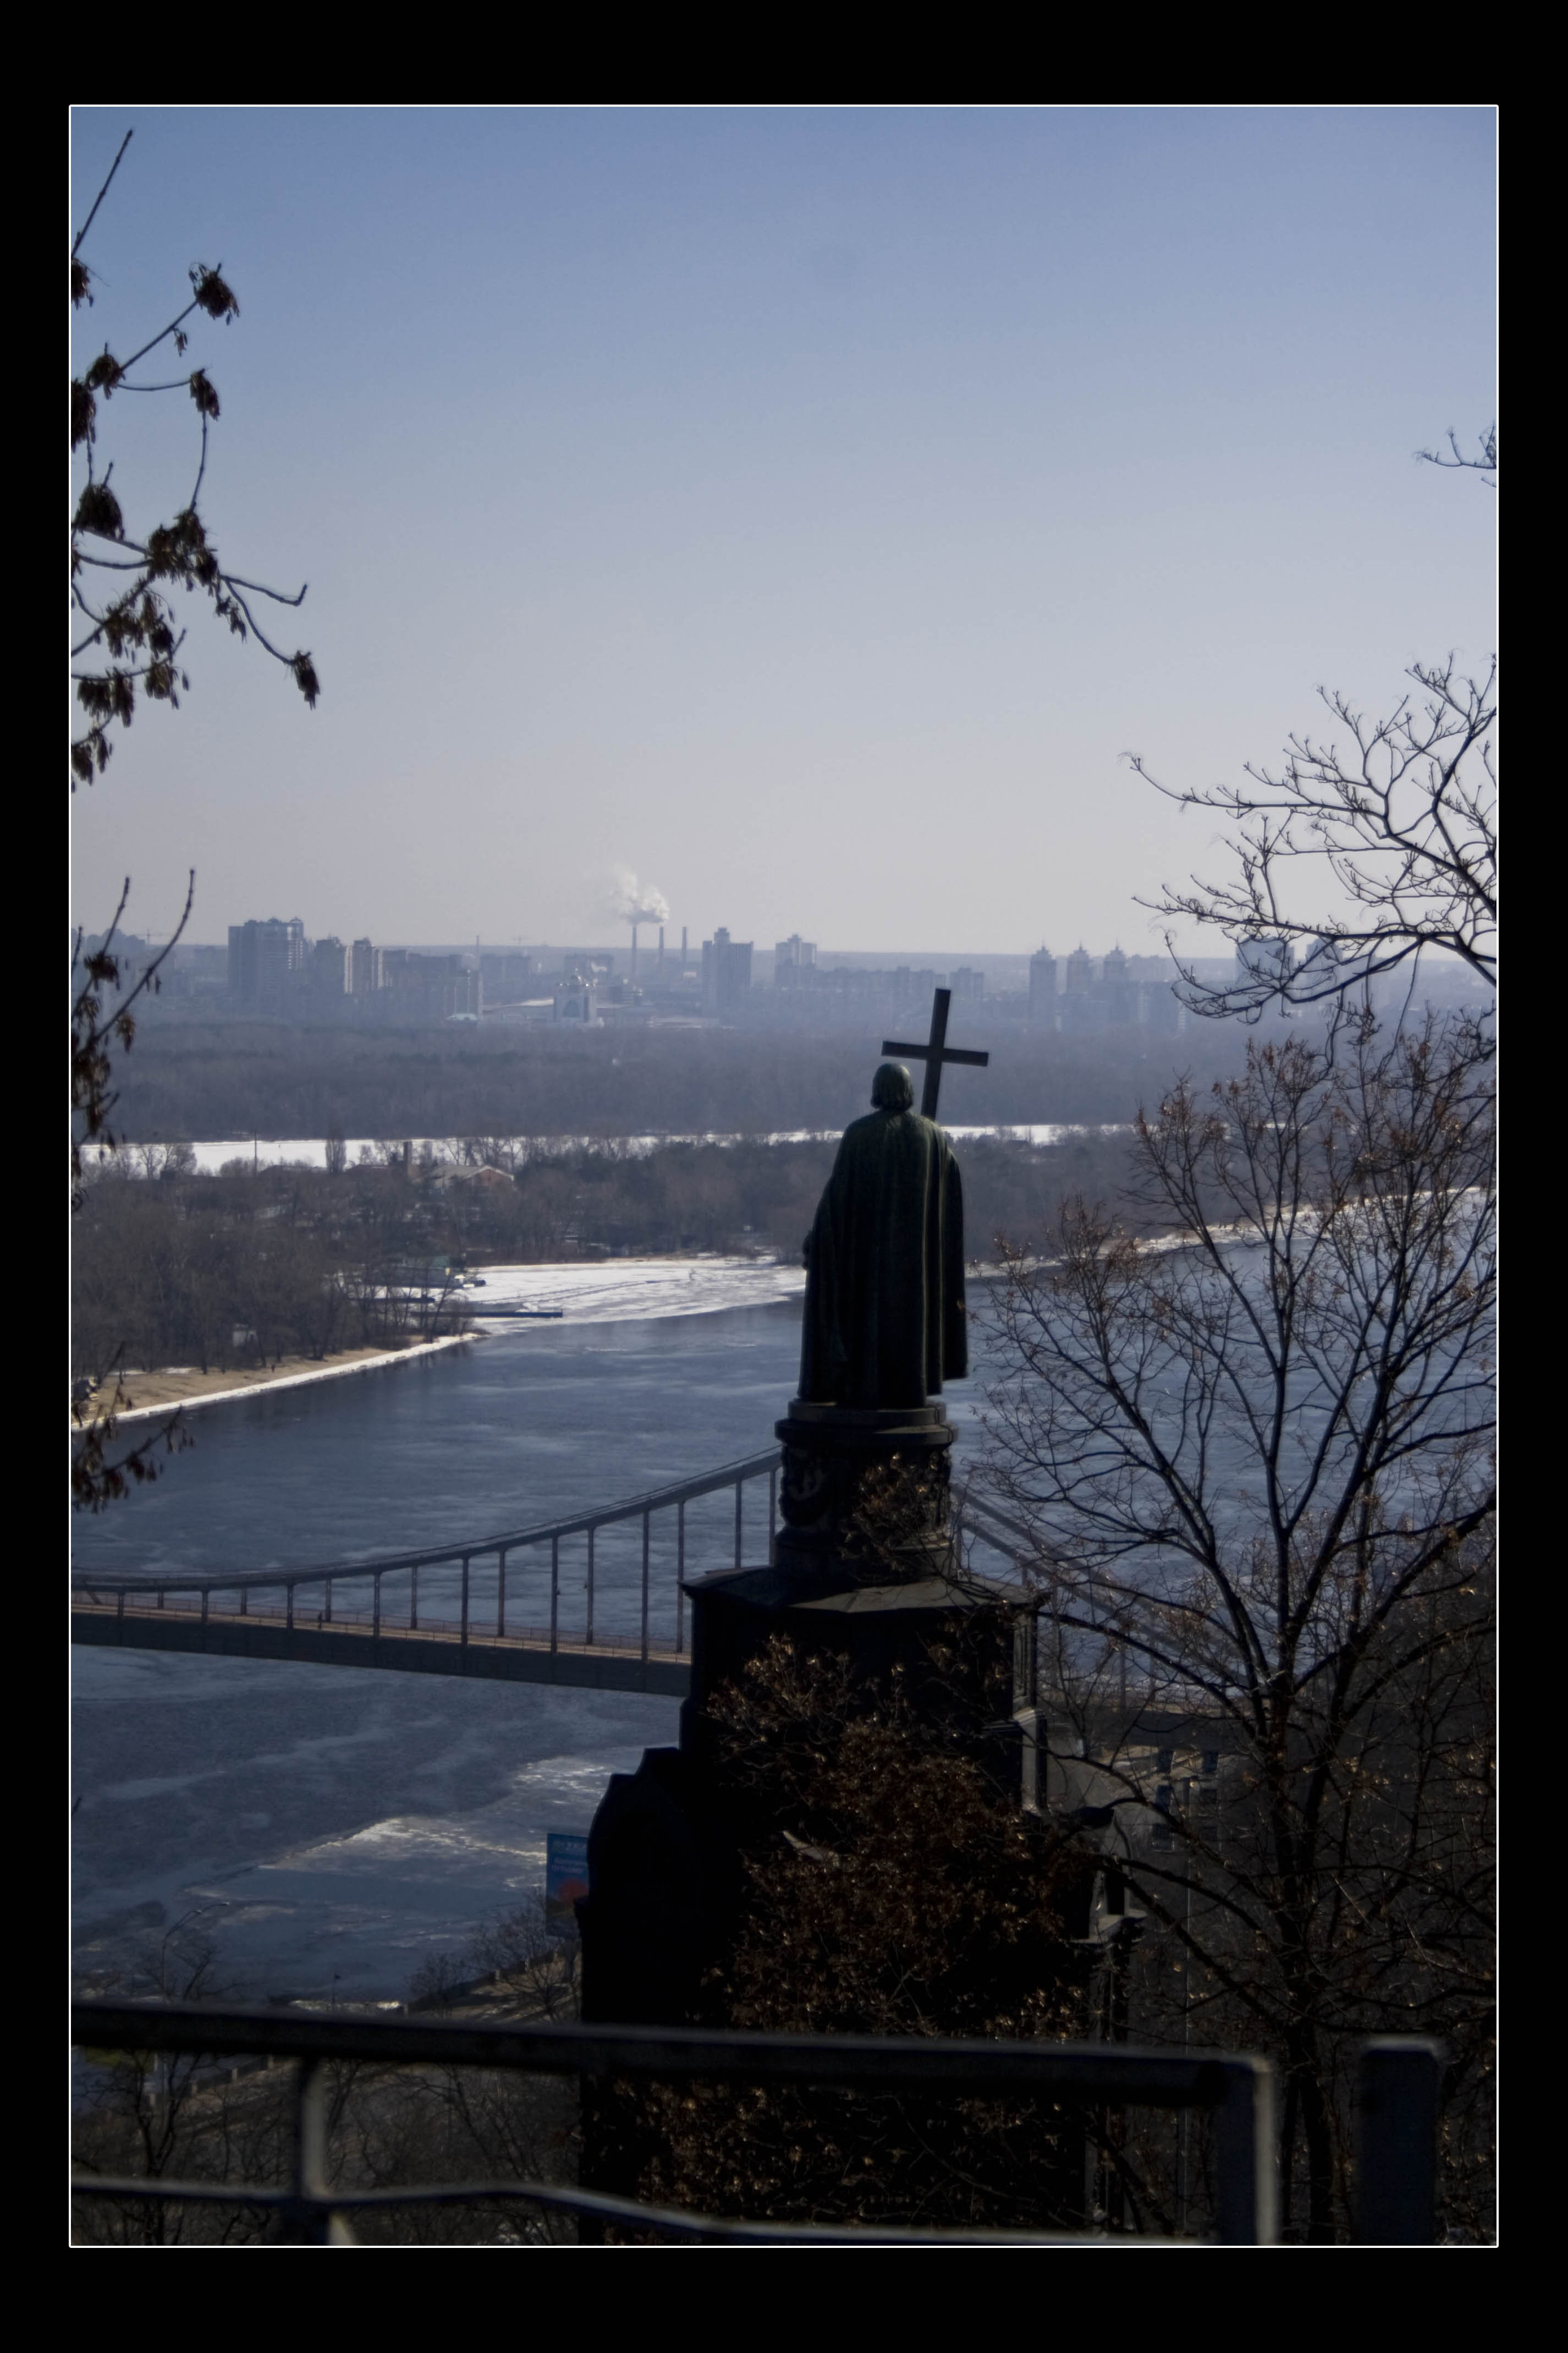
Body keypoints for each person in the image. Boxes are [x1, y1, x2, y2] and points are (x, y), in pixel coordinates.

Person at [798, 1061, 967, 1409]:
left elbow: (837, 1201)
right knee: (910, 1321)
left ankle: (866, 1385)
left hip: (868, 1261)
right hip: (918, 1264)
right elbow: (949, 1188)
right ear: (909, 1092)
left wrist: (817, 1241)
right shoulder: (934, 1136)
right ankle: (911, 1385)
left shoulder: (860, 1134)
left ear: (877, 1091)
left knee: (867, 1321)